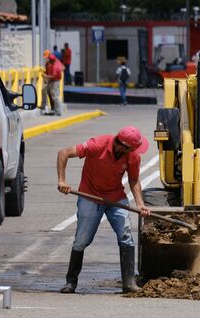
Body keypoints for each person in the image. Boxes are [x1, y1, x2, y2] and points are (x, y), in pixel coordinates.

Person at [56, 126, 151, 294]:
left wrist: (140, 203)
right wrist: (62, 180)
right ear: (122, 145)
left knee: (126, 235)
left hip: (115, 197)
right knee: (82, 240)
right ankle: (71, 282)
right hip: (89, 196)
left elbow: (134, 179)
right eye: (132, 148)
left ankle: (129, 283)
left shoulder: (133, 156)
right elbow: (64, 153)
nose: (135, 152)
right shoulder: (97, 144)